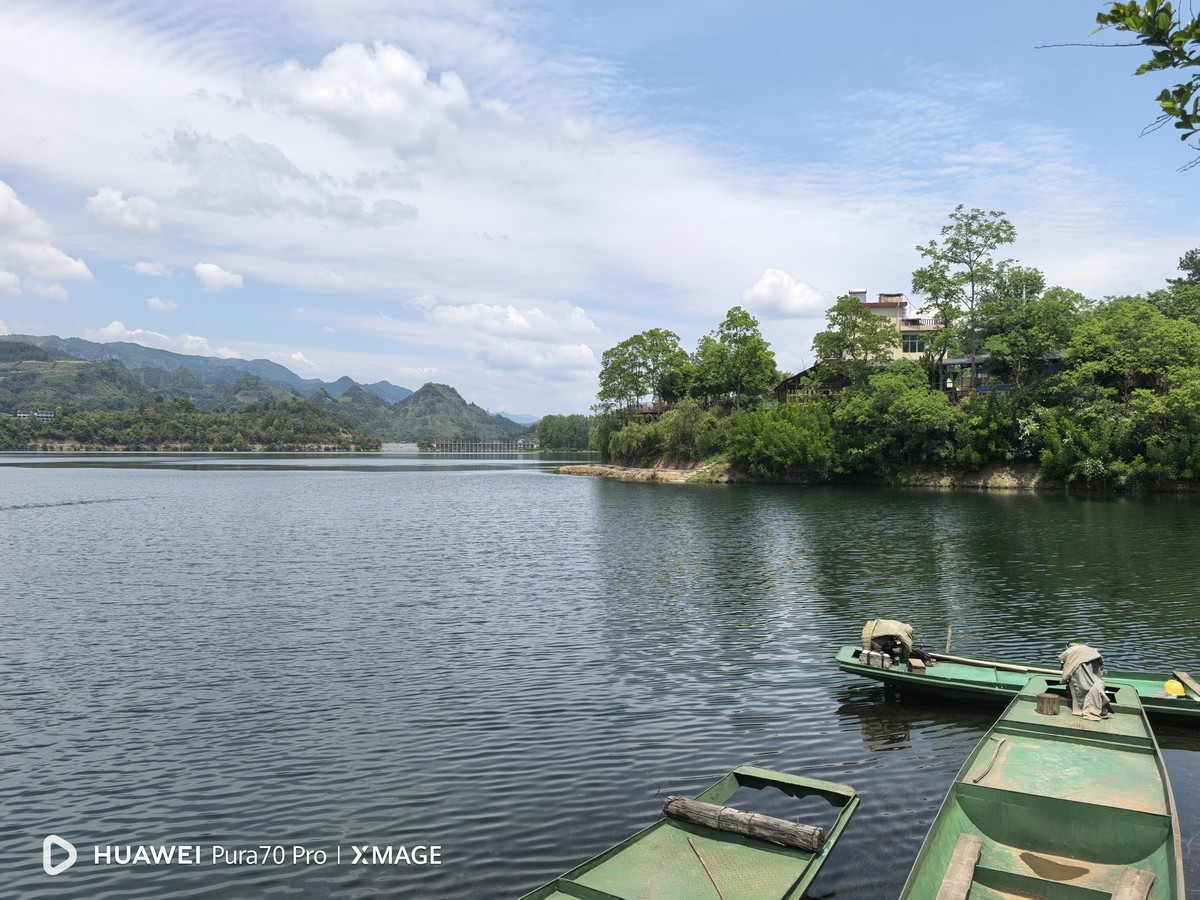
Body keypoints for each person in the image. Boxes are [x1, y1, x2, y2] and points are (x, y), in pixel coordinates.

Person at [1058, 642, 1112, 720]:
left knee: (1081, 684)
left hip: (1080, 660)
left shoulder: (1070, 652)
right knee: (1094, 679)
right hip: (1095, 656)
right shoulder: (1085, 648)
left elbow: (1065, 670)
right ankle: (1100, 705)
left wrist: (1064, 679)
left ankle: (1083, 707)